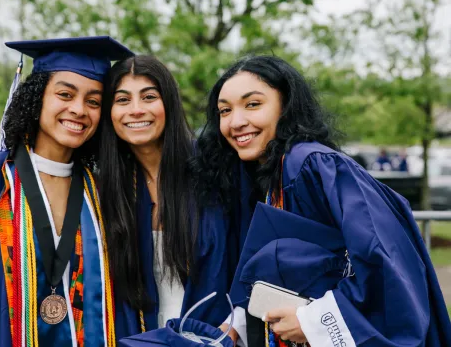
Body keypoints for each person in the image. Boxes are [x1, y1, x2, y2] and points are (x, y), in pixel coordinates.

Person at [192, 55, 451, 346]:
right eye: (224, 111)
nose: (235, 122)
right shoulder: (273, 175)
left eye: (253, 104)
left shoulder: (312, 165)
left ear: (286, 106)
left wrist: (312, 322)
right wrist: (240, 320)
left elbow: (386, 262)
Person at [0, 36, 132, 347]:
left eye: (93, 101)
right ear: (37, 98)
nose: (78, 110)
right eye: (65, 94)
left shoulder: (102, 193)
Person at [98, 55, 245, 342]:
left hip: (215, 337)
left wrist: (231, 331)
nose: (136, 110)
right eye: (122, 100)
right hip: (137, 338)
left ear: (169, 103)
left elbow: (255, 258)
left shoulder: (218, 171)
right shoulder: (106, 189)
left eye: (149, 96)